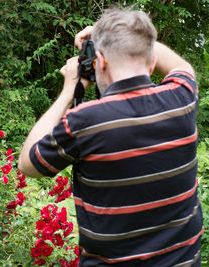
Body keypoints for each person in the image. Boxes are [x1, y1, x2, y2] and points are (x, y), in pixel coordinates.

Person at [18, 7, 203, 266]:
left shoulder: (84, 121)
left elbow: (27, 163)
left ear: (100, 62)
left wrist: (69, 89)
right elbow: (180, 64)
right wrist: (119, 35)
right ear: (151, 62)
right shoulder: (181, 97)